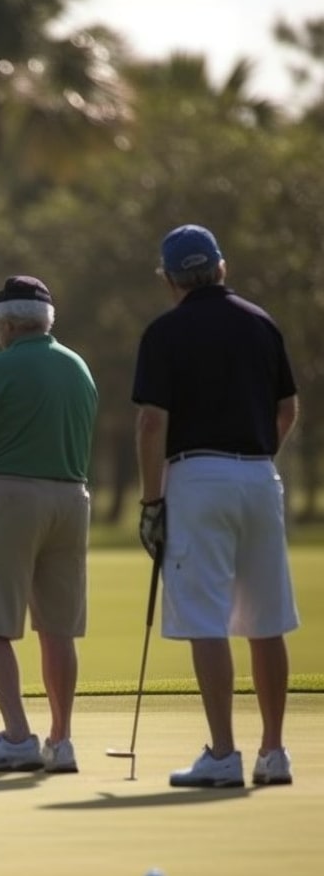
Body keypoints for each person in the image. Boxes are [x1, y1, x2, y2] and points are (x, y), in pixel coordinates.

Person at [132, 224, 299, 788]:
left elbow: (153, 422)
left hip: (197, 477)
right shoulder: (261, 323)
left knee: (207, 619)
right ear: (221, 268)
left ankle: (224, 753)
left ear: (170, 279)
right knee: (266, 620)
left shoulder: (165, 332)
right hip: (259, 474)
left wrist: (152, 501)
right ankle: (273, 752)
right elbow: (288, 408)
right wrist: (254, 459)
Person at [0, 276, 97, 774]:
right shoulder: (78, 368)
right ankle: (61, 742)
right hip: (72, 499)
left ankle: (17, 735)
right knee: (57, 628)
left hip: (11, 497)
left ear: (10, 323)